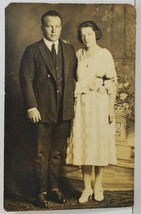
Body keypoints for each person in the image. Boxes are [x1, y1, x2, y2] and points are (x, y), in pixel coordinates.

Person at [19, 10, 77, 208]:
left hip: (64, 112)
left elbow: (75, 79)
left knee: (57, 154)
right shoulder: (32, 50)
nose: (54, 30)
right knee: (41, 154)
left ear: (61, 27)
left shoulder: (69, 50)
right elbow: (25, 80)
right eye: (49, 25)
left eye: (57, 26)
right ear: (42, 27)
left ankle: (54, 189)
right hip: (41, 112)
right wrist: (31, 106)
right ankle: (40, 192)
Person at [66, 20, 117, 203]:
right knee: (84, 145)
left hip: (100, 105)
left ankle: (98, 186)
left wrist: (110, 109)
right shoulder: (78, 54)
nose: (85, 38)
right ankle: (86, 188)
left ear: (96, 33)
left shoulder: (105, 54)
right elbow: (71, 81)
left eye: (89, 33)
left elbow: (112, 83)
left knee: (98, 145)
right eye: (82, 35)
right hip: (82, 105)